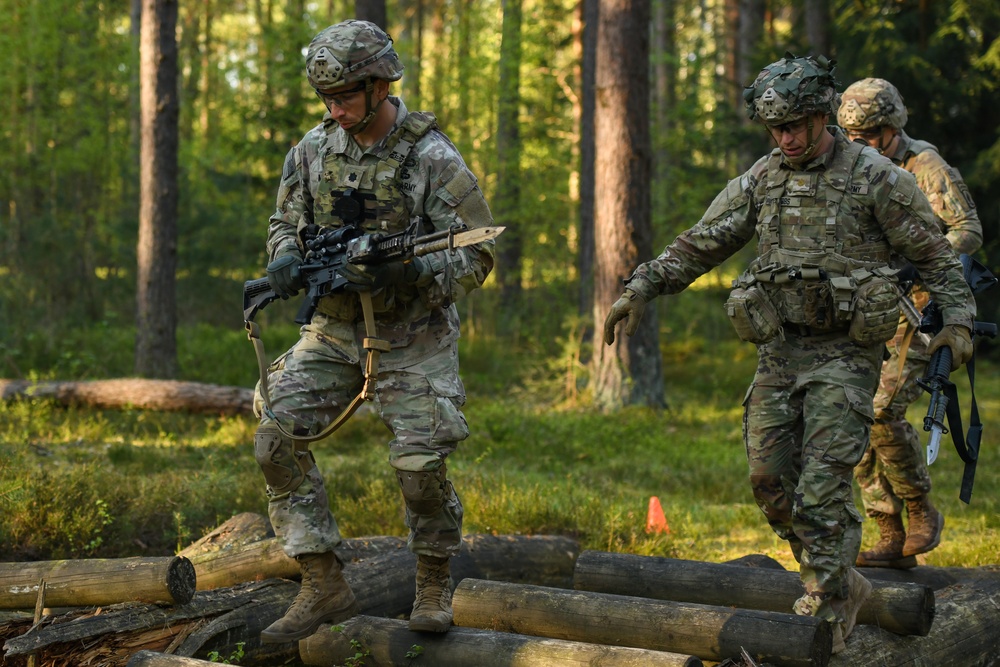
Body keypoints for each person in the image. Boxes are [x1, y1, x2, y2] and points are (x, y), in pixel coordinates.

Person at [603, 54, 976, 653]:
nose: (787, 139)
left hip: (849, 353)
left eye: (797, 125)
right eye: (776, 129)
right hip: (780, 350)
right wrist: (641, 287)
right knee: (769, 480)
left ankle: (825, 608)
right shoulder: (764, 176)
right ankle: (840, 578)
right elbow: (704, 242)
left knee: (825, 483)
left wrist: (957, 323)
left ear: (822, 116)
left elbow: (936, 256)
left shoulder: (877, 176)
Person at [252, 19, 496, 643]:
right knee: (275, 438)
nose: (334, 110)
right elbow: (285, 222)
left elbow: (478, 255)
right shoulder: (312, 149)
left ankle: (435, 576)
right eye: (326, 100)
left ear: (379, 84)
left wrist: (413, 267)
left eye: (345, 97)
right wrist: (284, 258)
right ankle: (322, 580)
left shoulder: (431, 157)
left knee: (419, 469)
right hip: (333, 331)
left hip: (413, 334)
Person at [837, 77, 982, 568]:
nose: (862, 146)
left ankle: (921, 510)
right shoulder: (850, 165)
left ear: (892, 127)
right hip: (866, 310)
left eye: (872, 136)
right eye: (854, 137)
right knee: (851, 411)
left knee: (881, 410)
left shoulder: (925, 166)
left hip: (918, 312)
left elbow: (967, 230)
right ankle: (889, 532)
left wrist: (922, 263)